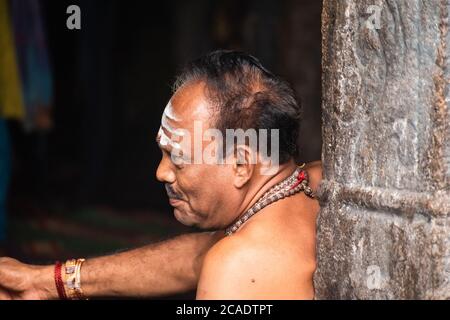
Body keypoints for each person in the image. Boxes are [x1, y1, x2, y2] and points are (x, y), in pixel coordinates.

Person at [0, 51, 322, 300]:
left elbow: (225, 257)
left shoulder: (234, 267)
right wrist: (49, 282)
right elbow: (196, 255)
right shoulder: (318, 182)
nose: (161, 172)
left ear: (241, 164)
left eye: (178, 158)